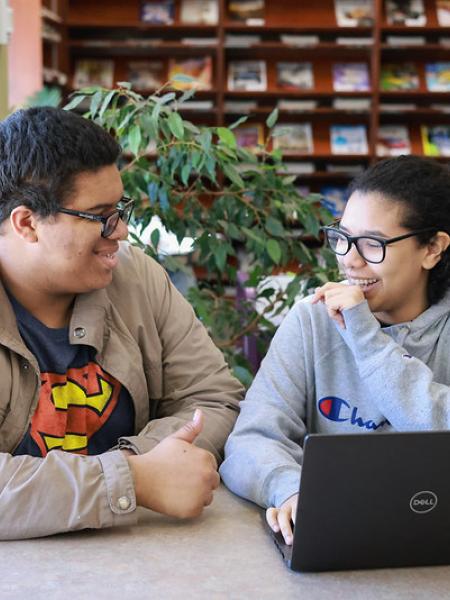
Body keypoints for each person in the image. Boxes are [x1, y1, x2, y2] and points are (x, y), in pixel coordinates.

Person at [0, 106, 243, 540]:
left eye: (120, 208)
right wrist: (135, 479)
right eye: (100, 216)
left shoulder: (137, 278)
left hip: (143, 559)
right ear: (27, 224)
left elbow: (213, 399)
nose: (122, 232)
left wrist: (142, 465)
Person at [220, 155, 450, 546]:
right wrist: (292, 490)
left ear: (432, 248)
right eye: (342, 238)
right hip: (334, 546)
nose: (349, 259)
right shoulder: (313, 320)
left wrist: (367, 339)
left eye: (373, 244)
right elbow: (249, 441)